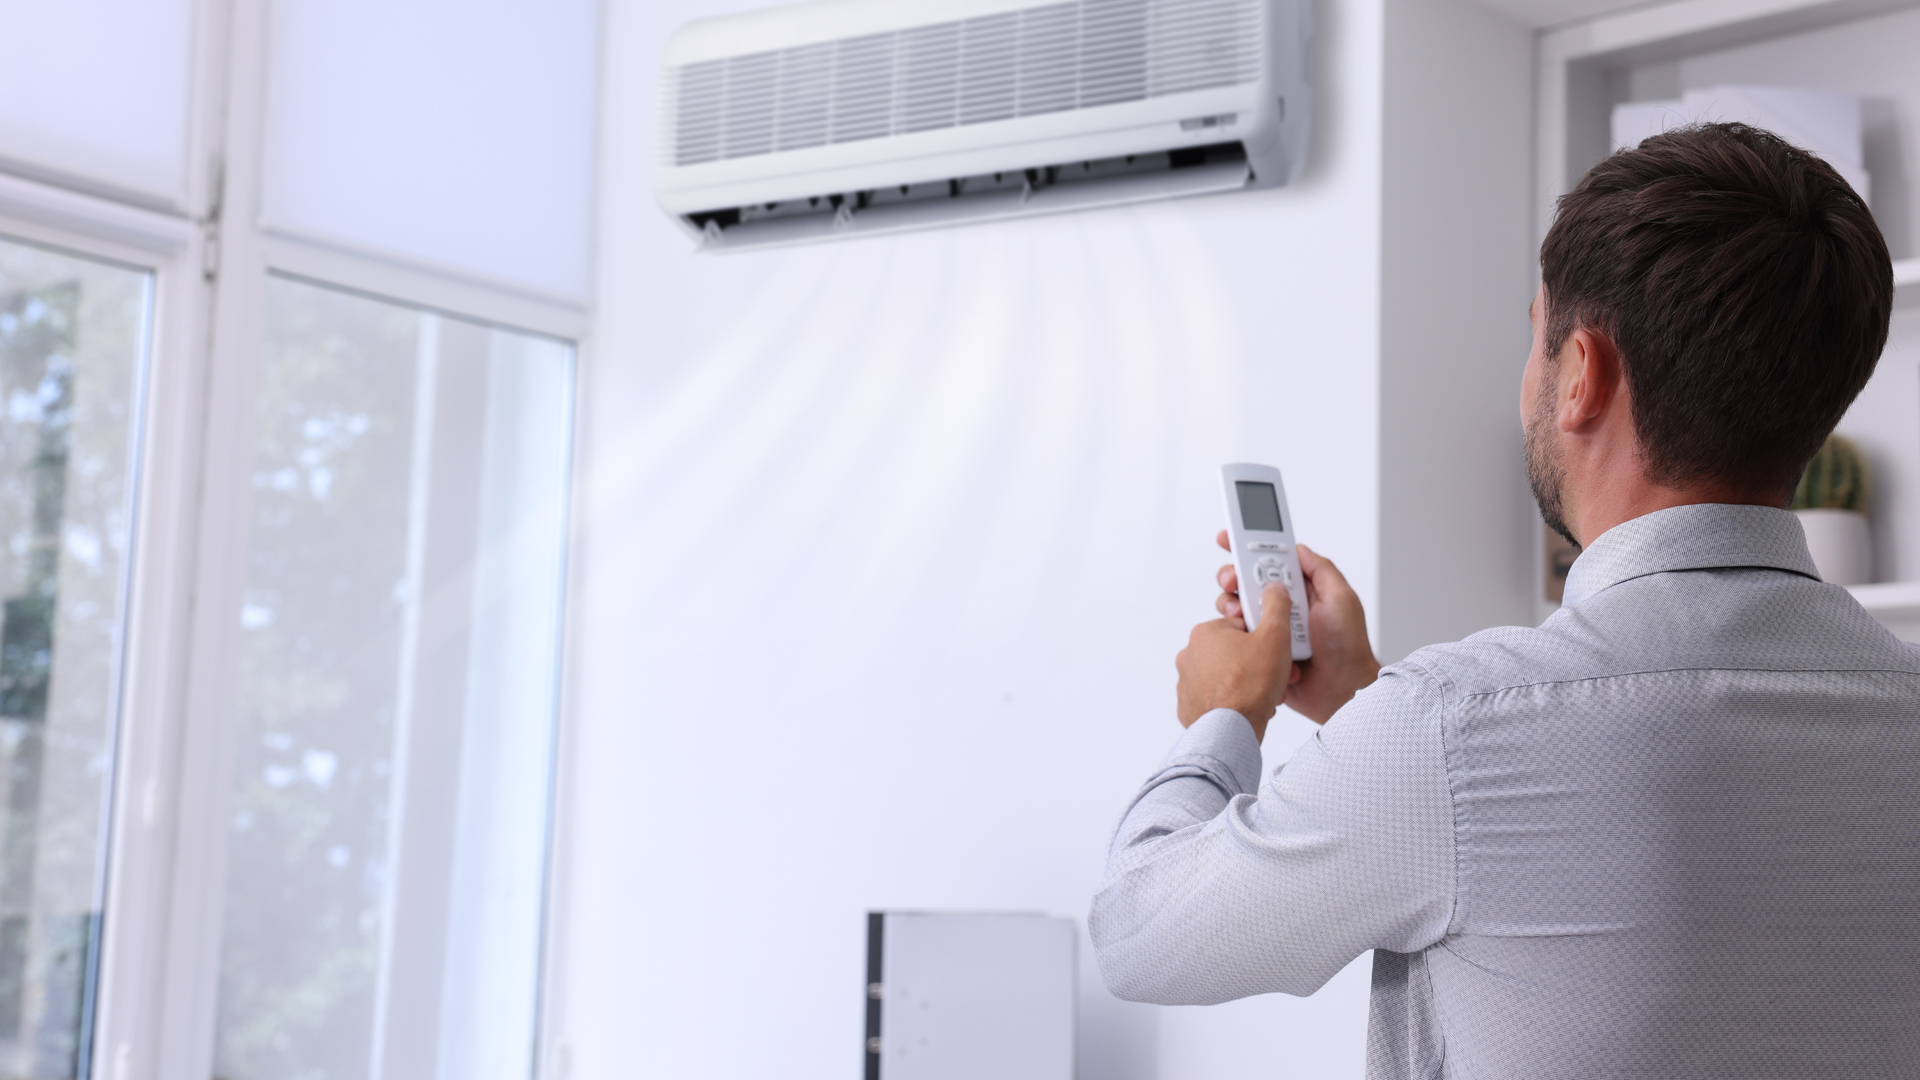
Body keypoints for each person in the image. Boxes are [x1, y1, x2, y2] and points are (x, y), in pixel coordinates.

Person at [1089, 122, 1912, 1078]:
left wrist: (1225, 715)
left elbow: (1140, 934)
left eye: (1535, 338)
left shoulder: (1448, 730)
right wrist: (1367, 705)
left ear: (1582, 376)